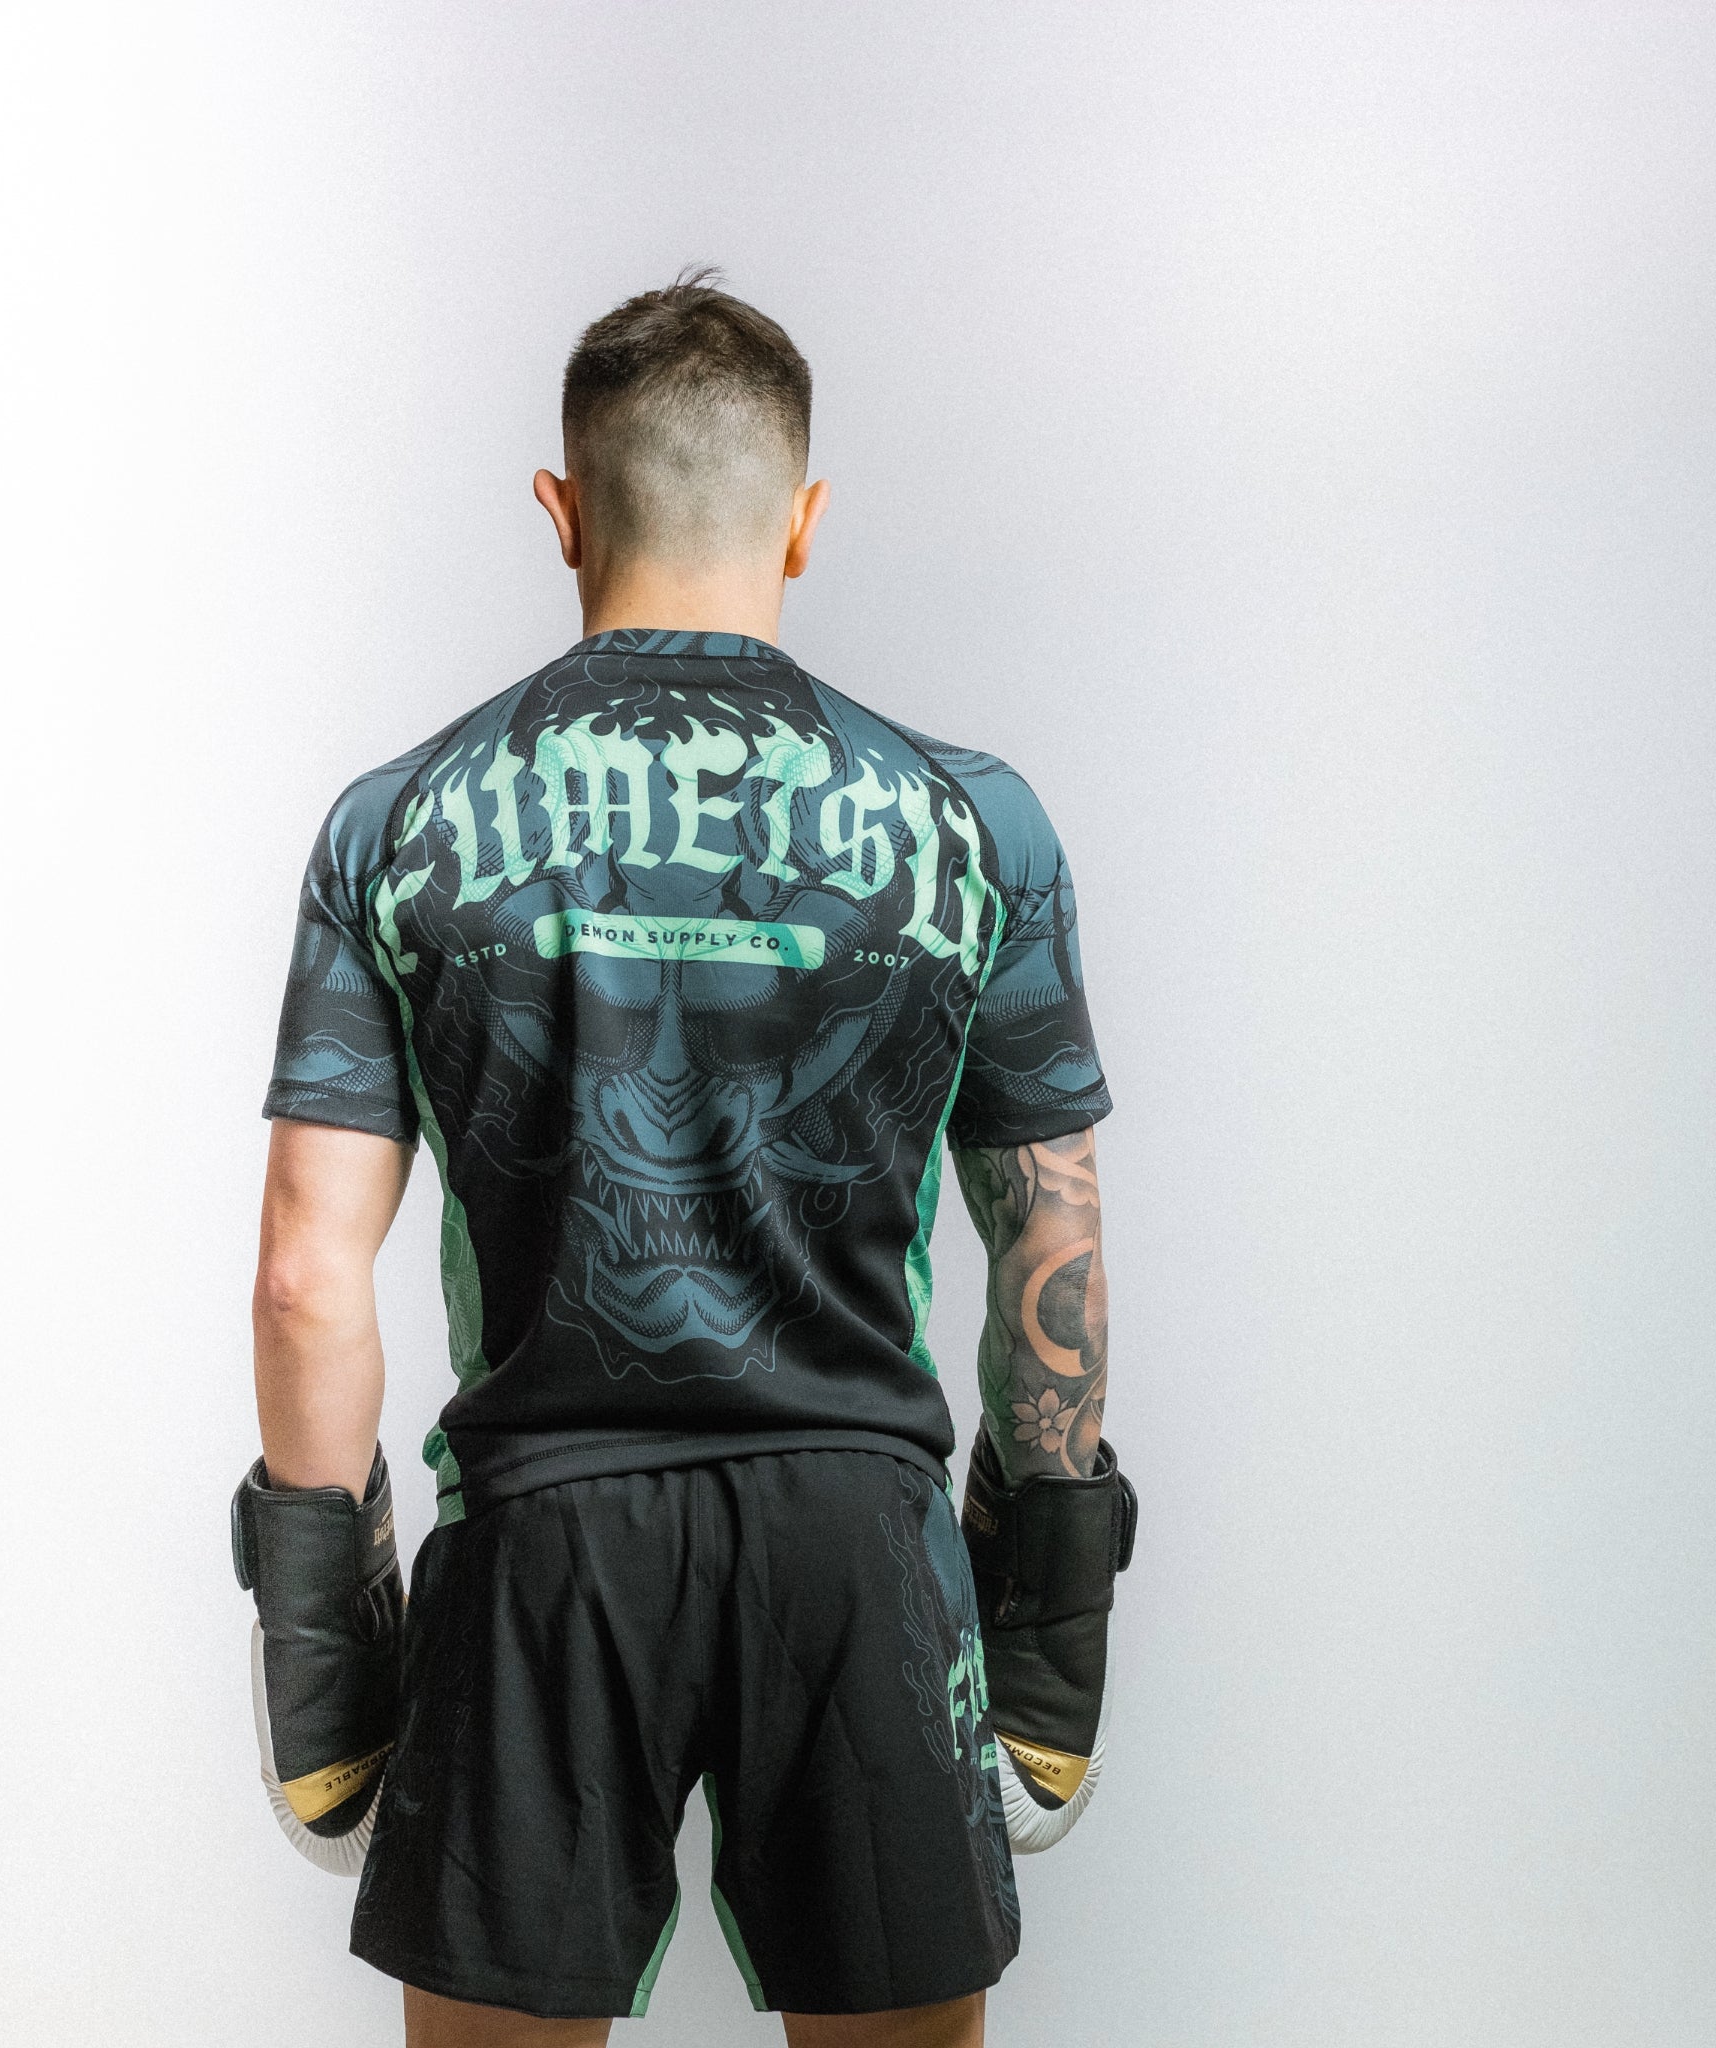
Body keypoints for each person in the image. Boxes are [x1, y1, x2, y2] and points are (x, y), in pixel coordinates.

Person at [229, 270, 1136, 2048]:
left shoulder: (396, 823)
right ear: (803, 521)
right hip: (857, 1539)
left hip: (541, 1542)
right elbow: (1055, 1242)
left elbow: (302, 1275)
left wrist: (326, 1642)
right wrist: (1049, 1604)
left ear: (563, 510)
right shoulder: (978, 826)